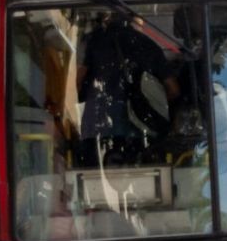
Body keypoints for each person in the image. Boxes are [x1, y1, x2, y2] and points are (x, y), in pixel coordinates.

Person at [76, 13, 179, 168]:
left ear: (108, 18)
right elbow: (173, 90)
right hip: (139, 133)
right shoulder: (149, 46)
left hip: (95, 129)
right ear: (136, 20)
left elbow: (78, 82)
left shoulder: (93, 41)